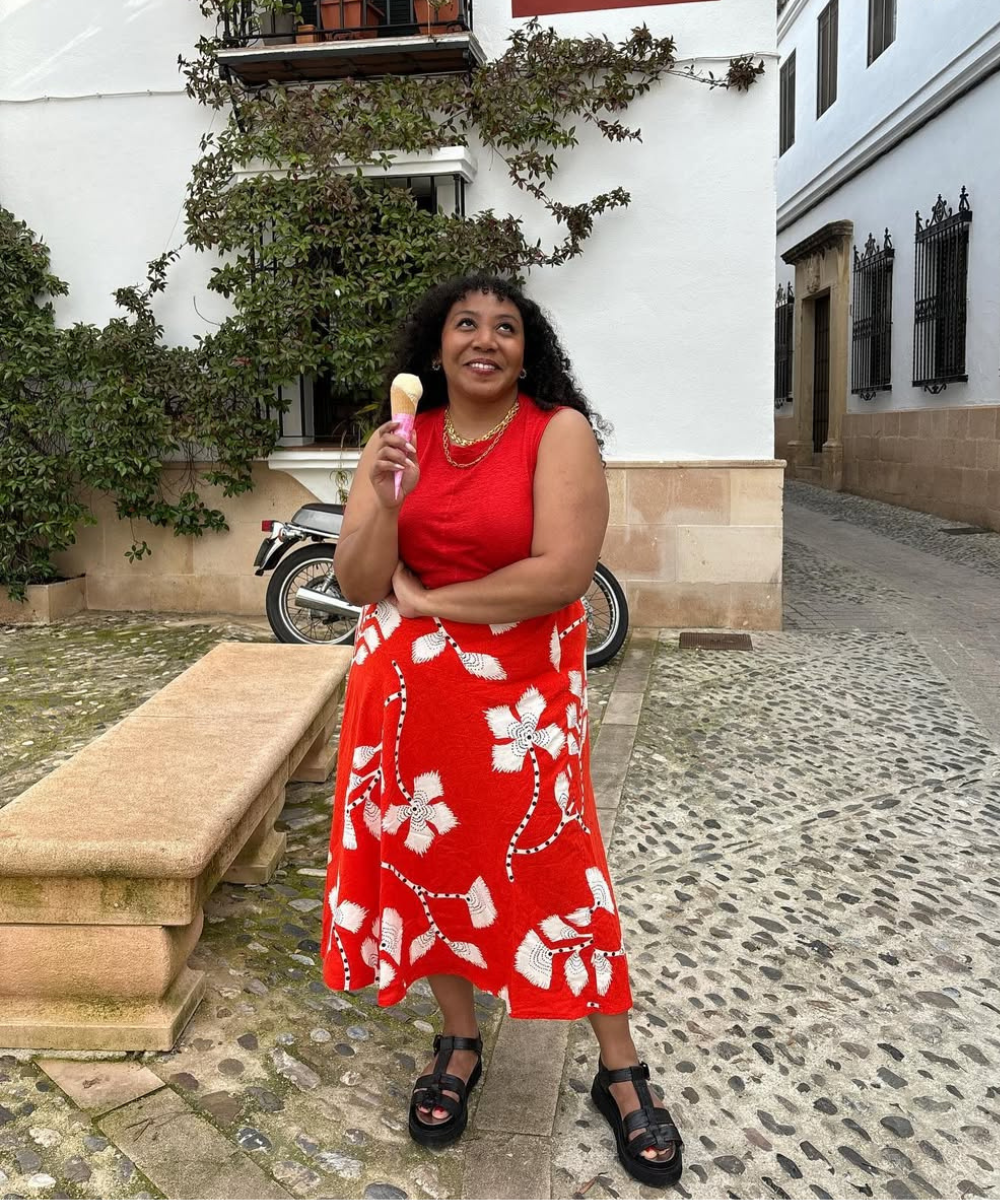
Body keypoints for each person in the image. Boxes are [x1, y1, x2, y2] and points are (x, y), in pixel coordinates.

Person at [320, 273, 682, 1187]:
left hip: (519, 703)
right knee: (427, 862)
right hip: (405, 704)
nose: (485, 340)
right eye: (465, 325)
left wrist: (438, 603)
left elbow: (563, 572)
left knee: (557, 868)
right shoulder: (397, 439)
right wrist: (386, 493)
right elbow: (363, 583)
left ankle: (620, 1066)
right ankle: (457, 1037)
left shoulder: (555, 433)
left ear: (528, 349)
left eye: (506, 328)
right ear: (435, 347)